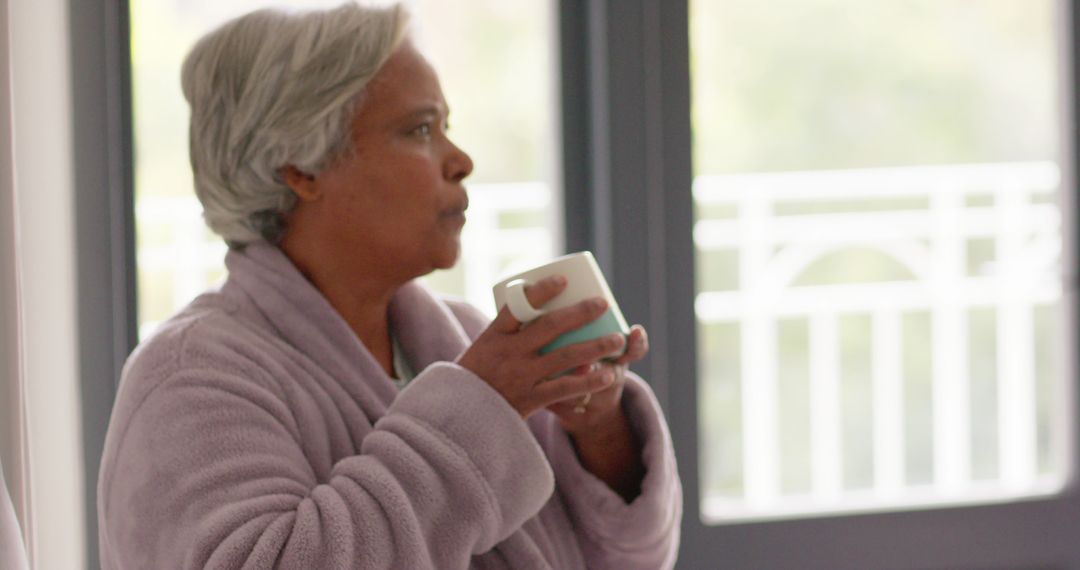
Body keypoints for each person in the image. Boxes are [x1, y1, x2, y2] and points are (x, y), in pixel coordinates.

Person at [97, 3, 681, 568]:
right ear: (301, 166)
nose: (461, 160)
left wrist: (600, 432)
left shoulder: (468, 341)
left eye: (446, 127)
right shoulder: (191, 381)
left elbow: (629, 559)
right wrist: (480, 413)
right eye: (420, 129)